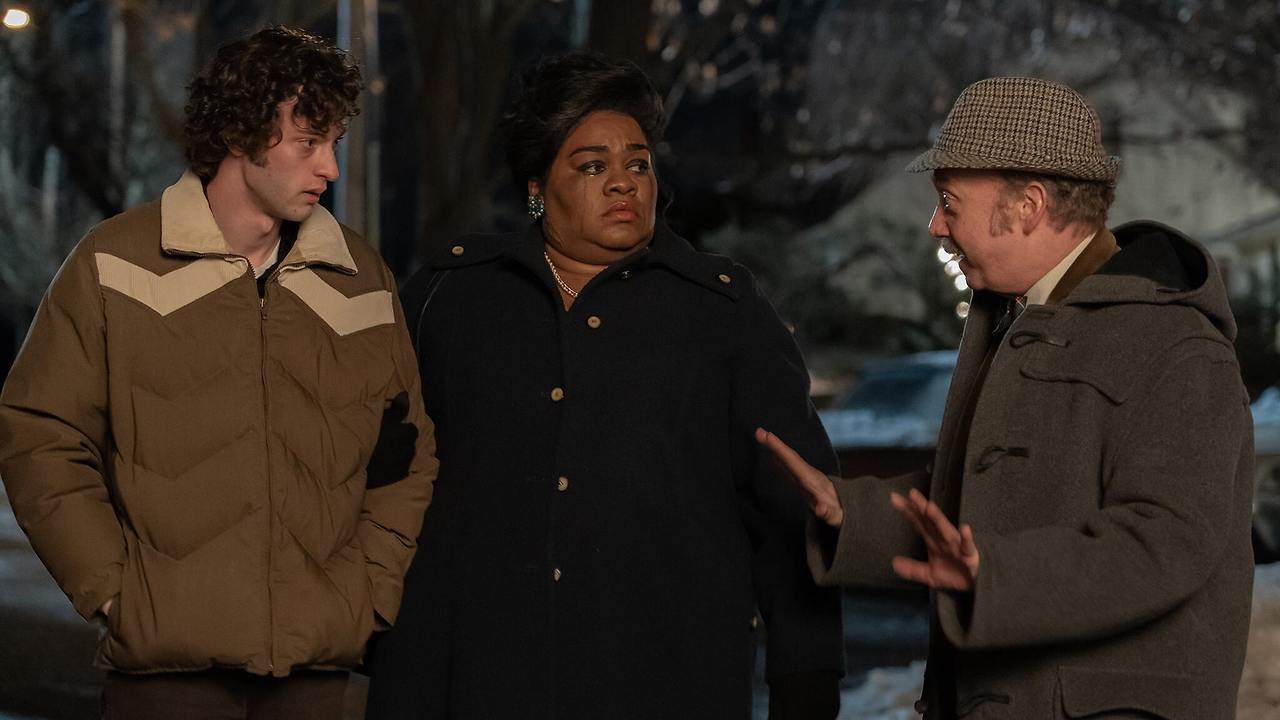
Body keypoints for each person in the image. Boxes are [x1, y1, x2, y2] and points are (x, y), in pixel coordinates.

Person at [365, 52, 843, 720]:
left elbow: (795, 503)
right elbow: (375, 476)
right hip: (472, 678)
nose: (623, 182)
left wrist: (807, 675)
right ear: (538, 188)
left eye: (638, 164)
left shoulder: (724, 312)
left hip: (666, 681)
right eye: (592, 166)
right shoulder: (450, 300)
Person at [758, 76, 1254, 719]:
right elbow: (984, 497)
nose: (935, 225)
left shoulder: (1178, 347)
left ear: (1028, 205)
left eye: (949, 201)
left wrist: (994, 576)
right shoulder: (1020, 318)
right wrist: (848, 513)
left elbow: (1165, 542)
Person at [0, 26, 437, 720]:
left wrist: (367, 592)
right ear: (240, 132)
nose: (329, 168)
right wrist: (114, 591)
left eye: (334, 143)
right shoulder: (115, 263)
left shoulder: (361, 280)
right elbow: (40, 435)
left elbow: (404, 458)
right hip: (165, 673)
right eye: (308, 142)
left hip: (312, 675)